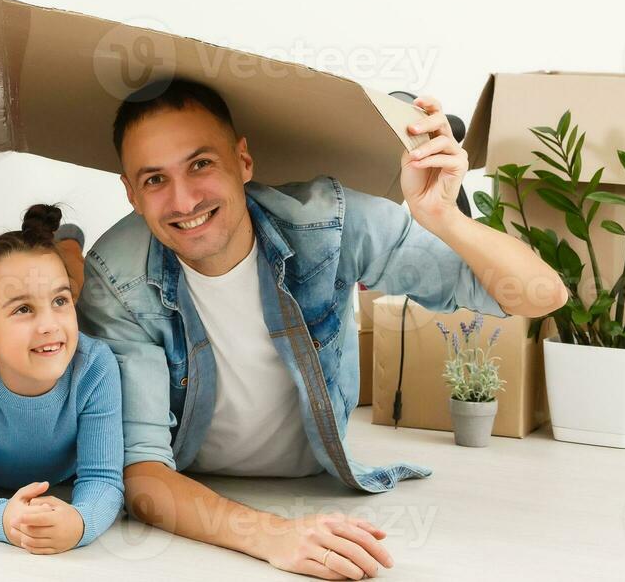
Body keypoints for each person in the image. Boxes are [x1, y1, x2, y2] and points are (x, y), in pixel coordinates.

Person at [77, 77, 569, 579]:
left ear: (243, 161)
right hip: (199, 508)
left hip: (319, 483)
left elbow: (540, 296)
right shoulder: (117, 278)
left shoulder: (329, 224)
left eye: (201, 164)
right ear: (132, 194)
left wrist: (442, 214)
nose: (183, 201)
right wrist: (272, 535)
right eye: (155, 179)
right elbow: (144, 477)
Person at [0, 204, 123, 554]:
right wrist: (4, 519)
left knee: (74, 270)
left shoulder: (95, 367)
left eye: (60, 300)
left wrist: (80, 522)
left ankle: (70, 245)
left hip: (64, 474)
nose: (49, 325)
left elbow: (102, 479)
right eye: (23, 309)